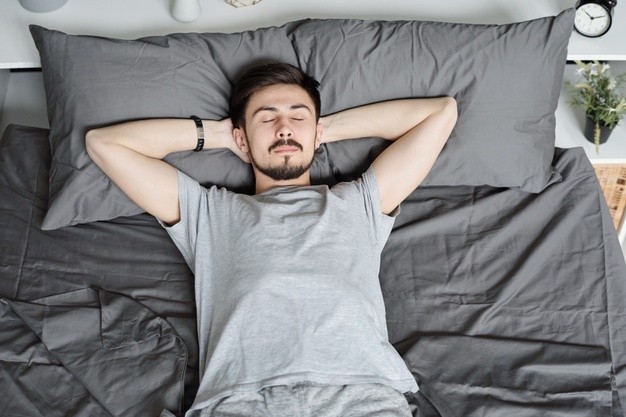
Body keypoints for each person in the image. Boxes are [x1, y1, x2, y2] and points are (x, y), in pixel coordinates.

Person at [86, 62, 457, 417]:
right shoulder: (209, 212)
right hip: (243, 402)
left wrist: (320, 130)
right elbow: (104, 144)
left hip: (363, 396)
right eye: (267, 118)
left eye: (297, 117)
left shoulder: (359, 202)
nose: (283, 129)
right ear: (242, 139)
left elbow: (440, 113)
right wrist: (223, 135)